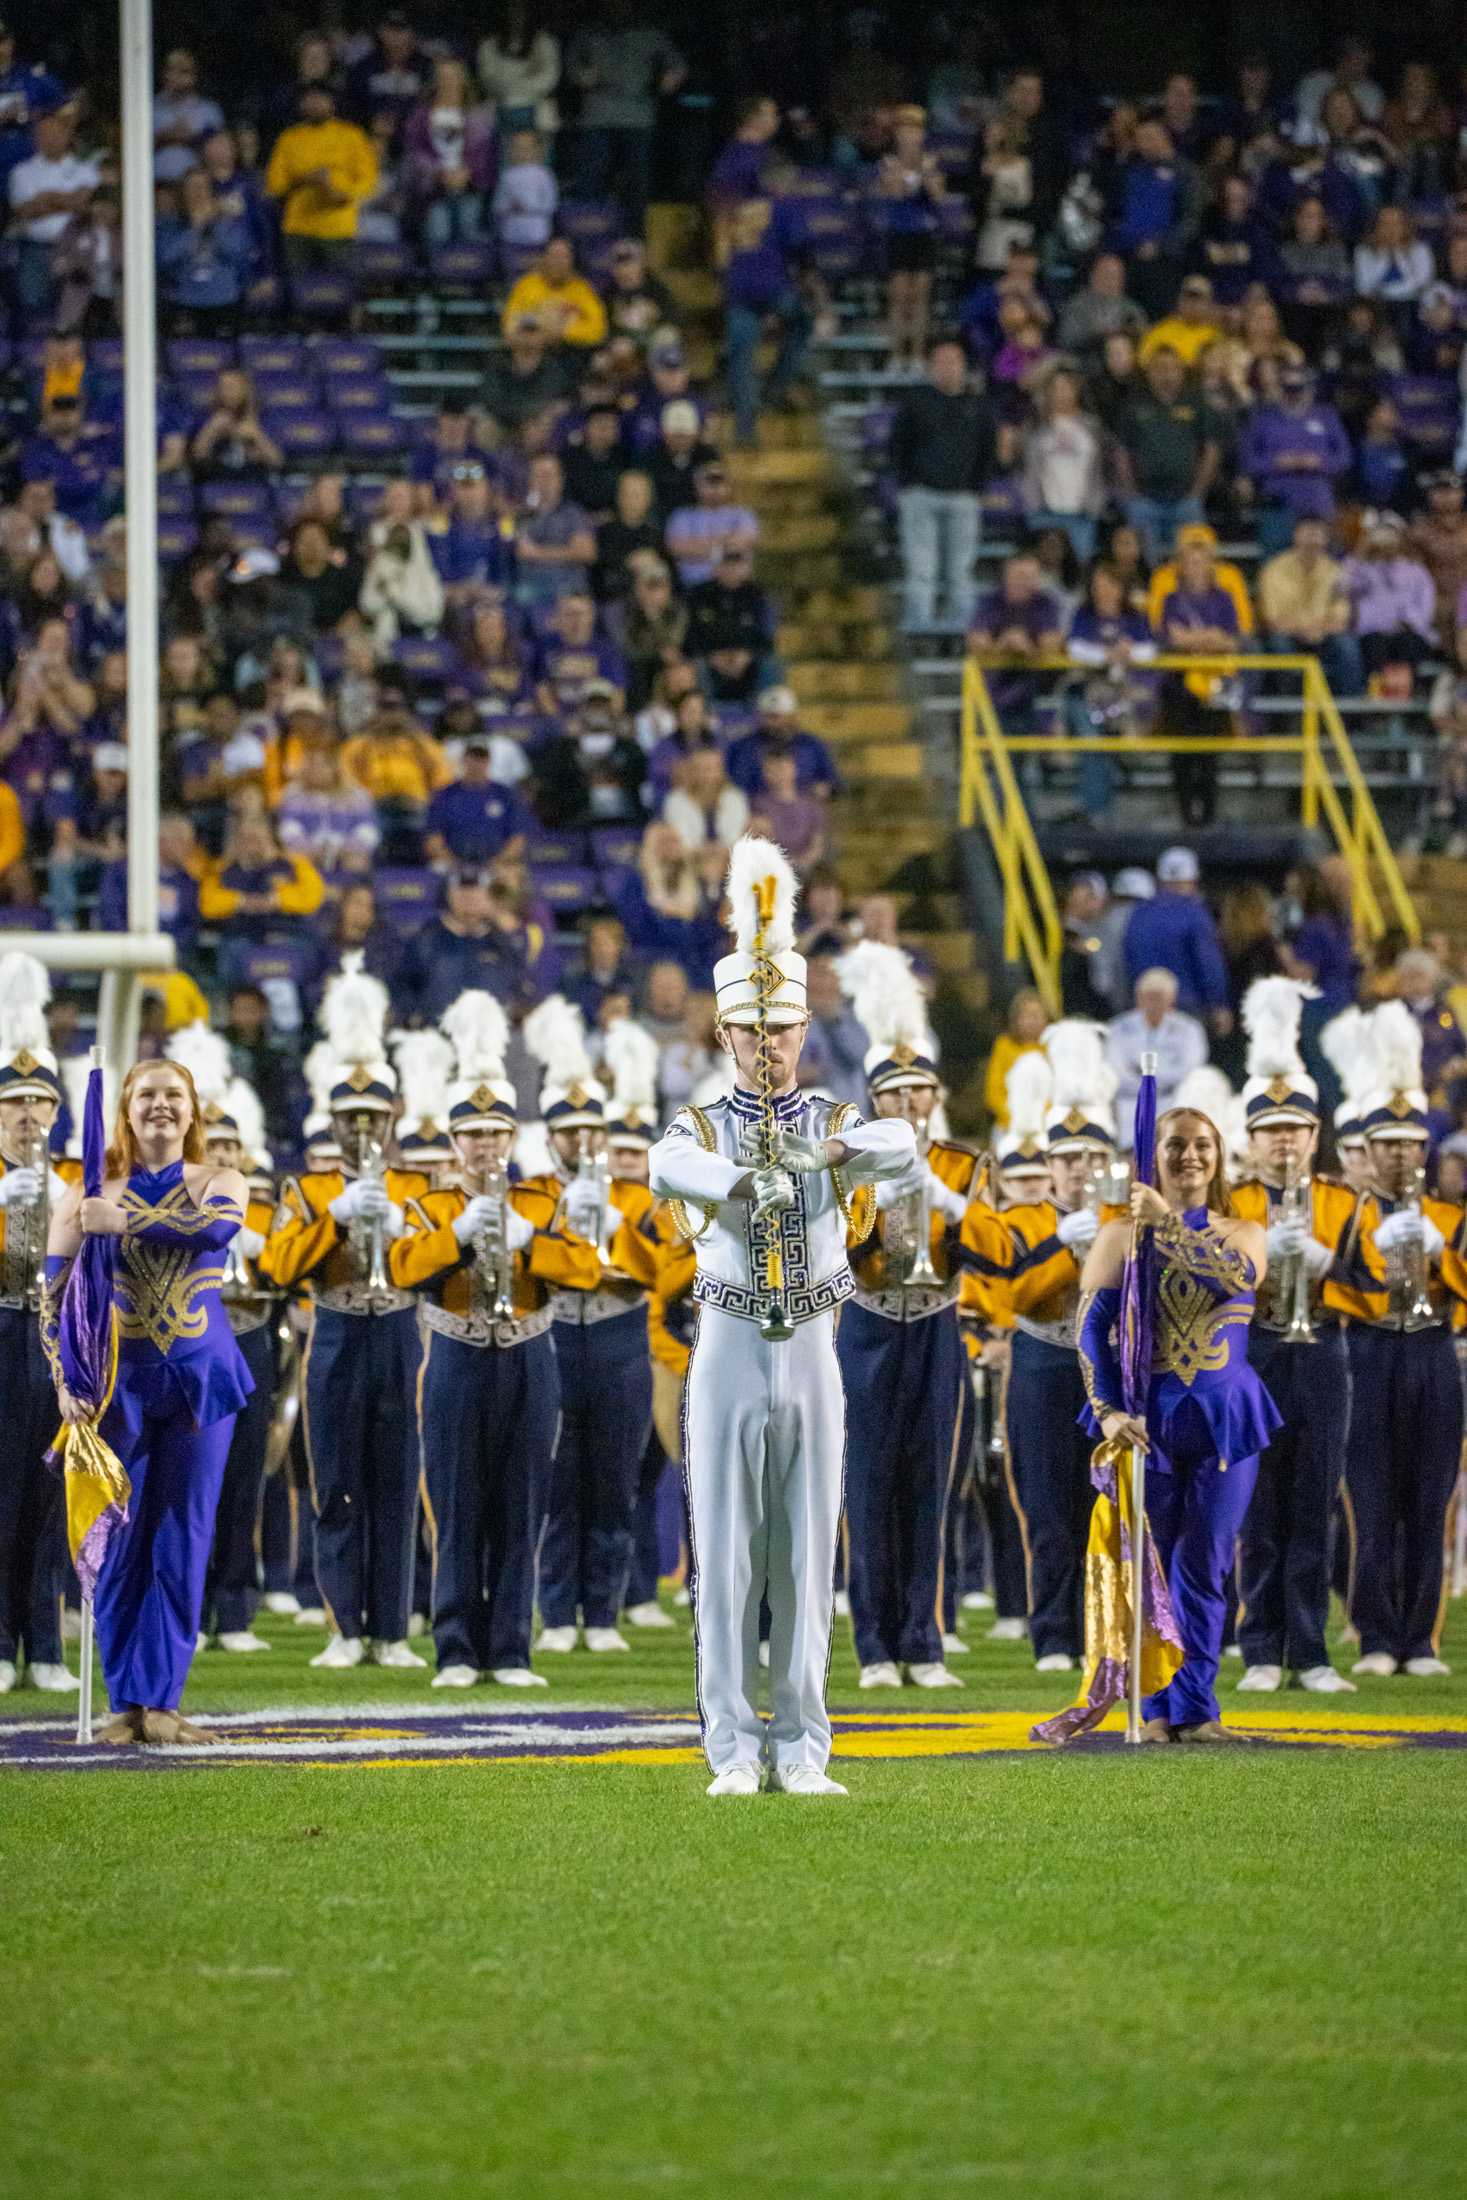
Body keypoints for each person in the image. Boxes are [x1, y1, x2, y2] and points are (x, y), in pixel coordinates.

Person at [647, 837, 914, 1795]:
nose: (769, 1047)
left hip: (810, 1340)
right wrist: (741, 1177)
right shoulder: (702, 1123)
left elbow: (903, 1147)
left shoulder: (835, 1120)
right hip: (723, 1338)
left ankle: (803, 1748)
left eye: (784, 1030)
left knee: (806, 1551)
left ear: (804, 1032)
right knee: (722, 1551)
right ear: (724, 1036)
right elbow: (664, 1166)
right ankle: (728, 1748)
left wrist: (818, 1164)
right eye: (752, 1031)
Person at [390, 990, 599, 1688]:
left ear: (512, 1138)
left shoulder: (542, 1200)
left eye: (495, 1133)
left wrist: (530, 1240)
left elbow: (586, 1268)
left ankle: (510, 1647)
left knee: (522, 1501)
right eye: (472, 1134)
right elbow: (402, 1268)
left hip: (529, 1353)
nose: (485, 1145)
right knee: (454, 1502)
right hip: (453, 1352)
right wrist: (455, 1235)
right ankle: (454, 1646)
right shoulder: (431, 1204)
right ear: (453, 1143)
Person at [44, 1059, 253, 1745]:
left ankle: (162, 1702)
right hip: (118, 1385)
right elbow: (53, 1297)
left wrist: (118, 1216)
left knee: (183, 1534)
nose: (160, 1106)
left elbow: (214, 1230)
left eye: (174, 1095)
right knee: (119, 1537)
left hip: (202, 1382)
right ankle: (123, 1702)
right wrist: (64, 1383)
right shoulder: (84, 1193)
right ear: (125, 1111)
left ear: (193, 1112)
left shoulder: (221, 1180)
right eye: (145, 1096)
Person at [1076, 1106, 1276, 1740]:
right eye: (1174, 1145)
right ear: (1151, 1155)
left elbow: (1230, 1279)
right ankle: (1157, 1710)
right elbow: (1088, 1331)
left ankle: (1198, 1708)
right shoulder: (1117, 1237)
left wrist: (1167, 1224)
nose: (1189, 1156)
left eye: (1202, 1145)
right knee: (1150, 1566)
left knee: (1209, 1560)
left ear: (1220, 1156)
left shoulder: (1247, 1230)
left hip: (1227, 1416)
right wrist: (1107, 1412)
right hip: (1148, 1419)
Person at [259, 968, 430, 1671]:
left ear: (391, 1123)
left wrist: (392, 1223)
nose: (361, 1130)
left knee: (395, 1482)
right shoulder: (307, 1188)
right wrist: (330, 1220)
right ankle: (343, 1628)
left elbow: (432, 1260)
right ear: (331, 1124)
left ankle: (389, 1631)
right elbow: (276, 1266)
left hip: (395, 1330)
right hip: (332, 1329)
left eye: (373, 1119)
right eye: (349, 1120)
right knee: (335, 1483)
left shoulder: (415, 1187)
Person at [837, 943, 978, 1688]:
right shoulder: (848, 1161)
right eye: (893, 1094)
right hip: (865, 1323)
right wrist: (875, 1205)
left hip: (934, 1320)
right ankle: (872, 1648)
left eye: (918, 1091)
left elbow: (999, 1250)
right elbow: (831, 1251)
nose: (907, 1105)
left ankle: (923, 1640)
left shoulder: (960, 1163)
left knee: (930, 1482)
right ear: (874, 1101)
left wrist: (949, 1205)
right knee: (867, 1482)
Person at [1228, 980, 1368, 1695]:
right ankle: (1258, 1647)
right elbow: (1210, 1284)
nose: (1283, 1142)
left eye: (1295, 1129)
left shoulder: (1344, 1202)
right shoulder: (1233, 1201)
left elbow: (1374, 1290)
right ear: (1249, 1141)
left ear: (1314, 1137)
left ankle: (1309, 1650)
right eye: (1269, 1130)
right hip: (1252, 1353)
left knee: (1313, 1499)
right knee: (1256, 1501)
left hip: (1321, 1354)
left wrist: (1324, 1267)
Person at [520, 1000, 663, 1653]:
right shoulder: (532, 1193)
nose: (580, 1144)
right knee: (555, 1481)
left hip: (617, 1335)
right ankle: (555, 1612)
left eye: (589, 1133)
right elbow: (525, 1263)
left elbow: (665, 1267)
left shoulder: (638, 1196)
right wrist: (558, 1230)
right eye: (568, 1132)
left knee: (613, 1479)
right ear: (549, 1138)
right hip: (553, 1335)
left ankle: (603, 1613)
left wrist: (614, 1228)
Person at [1336, 1003, 1467, 1679]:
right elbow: (1333, 1287)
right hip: (1369, 1348)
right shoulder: (1349, 1213)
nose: (1396, 1153)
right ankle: (1373, 1636)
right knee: (1370, 1498)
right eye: (1383, 1143)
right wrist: (1376, 1260)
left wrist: (1442, 1256)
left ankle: (1419, 1638)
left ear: (1422, 1148)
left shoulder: (1450, 1215)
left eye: (1406, 1143)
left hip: (1431, 1350)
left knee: (1428, 1499)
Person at [0, 959, 79, 1696]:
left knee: (49, 1488)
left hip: (54, 1336)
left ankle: (46, 1643)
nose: (28, 1115)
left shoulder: (73, 1179)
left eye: (40, 1102)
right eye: (16, 1102)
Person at [889, 337, 1000, 630]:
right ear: (930, 367)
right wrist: (907, 485)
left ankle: (961, 630)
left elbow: (988, 450)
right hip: (921, 495)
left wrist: (976, 488)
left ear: (964, 366)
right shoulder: (916, 402)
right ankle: (920, 628)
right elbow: (898, 446)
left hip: (963, 497)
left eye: (954, 362)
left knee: (960, 571)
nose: (948, 368)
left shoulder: (978, 406)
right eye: (941, 362)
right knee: (921, 569)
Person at [264, 82, 378, 275]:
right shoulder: (289, 138)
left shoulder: (351, 135)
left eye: (321, 98)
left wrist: (338, 191)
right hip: (298, 227)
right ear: (301, 104)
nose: (315, 103)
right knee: (300, 294)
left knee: (341, 292)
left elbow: (368, 180)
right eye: (310, 98)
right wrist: (303, 179)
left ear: (332, 103)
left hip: (339, 227)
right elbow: (274, 185)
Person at [1122, 845, 1231, 1027]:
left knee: (1150, 1054)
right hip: (1186, 1006)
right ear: (1192, 879)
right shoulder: (1195, 913)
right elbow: (1208, 963)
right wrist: (1218, 1004)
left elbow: (1128, 960)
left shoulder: (1139, 913)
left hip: (1144, 1004)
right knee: (1186, 1055)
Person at [1257, 515, 1361, 695]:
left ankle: (1348, 715)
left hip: (1323, 636)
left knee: (1346, 646)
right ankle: (1287, 710)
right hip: (1289, 635)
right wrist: (1303, 629)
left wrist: (1317, 630)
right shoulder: (1274, 569)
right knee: (1279, 644)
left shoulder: (1335, 571)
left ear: (1326, 538)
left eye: (1317, 534)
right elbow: (1271, 619)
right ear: (1295, 535)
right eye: (1307, 533)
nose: (1312, 539)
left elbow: (1341, 618)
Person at [1107, 967, 1208, 1123]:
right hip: (1130, 1102)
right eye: (1148, 996)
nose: (1153, 1003)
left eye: (1159, 997)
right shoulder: (1118, 1028)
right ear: (1138, 998)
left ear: (1171, 998)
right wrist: (1157, 1078)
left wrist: (1145, 1074)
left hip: (1176, 1100)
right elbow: (1116, 1071)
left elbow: (1191, 1069)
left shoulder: (1189, 1029)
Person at [501, 235, 608, 349]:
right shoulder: (526, 285)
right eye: (554, 256)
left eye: (564, 257)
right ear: (543, 259)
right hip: (531, 350)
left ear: (572, 261)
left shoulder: (581, 289)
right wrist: (542, 330)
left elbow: (598, 329)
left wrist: (563, 332)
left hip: (569, 351)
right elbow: (509, 324)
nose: (558, 262)